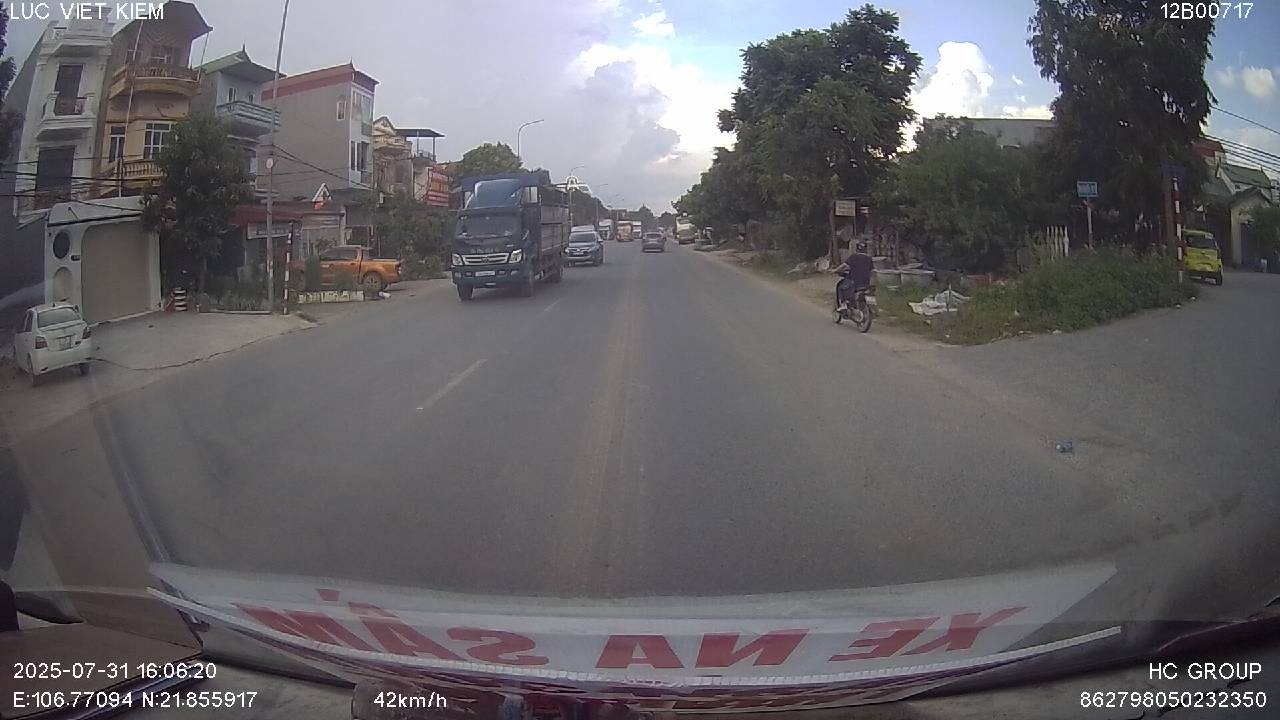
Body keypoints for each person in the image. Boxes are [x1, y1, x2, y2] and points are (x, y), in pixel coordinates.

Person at [834, 241, 874, 310]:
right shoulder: (869, 259)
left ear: (857, 249)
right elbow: (872, 271)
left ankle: (843, 304)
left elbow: (843, 266)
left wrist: (835, 270)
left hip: (854, 282)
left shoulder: (853, 257)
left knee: (841, 287)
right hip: (866, 283)